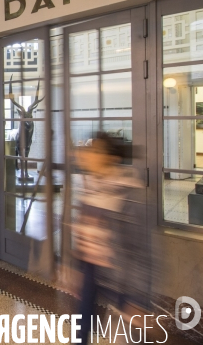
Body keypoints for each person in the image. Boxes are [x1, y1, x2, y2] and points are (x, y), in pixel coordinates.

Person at [73, 132, 145, 344]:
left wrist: (137, 298)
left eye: (95, 151)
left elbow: (144, 251)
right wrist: (77, 267)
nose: (87, 155)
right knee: (82, 324)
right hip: (92, 268)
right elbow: (83, 228)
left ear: (111, 158)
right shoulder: (90, 185)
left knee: (124, 336)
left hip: (119, 275)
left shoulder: (129, 192)